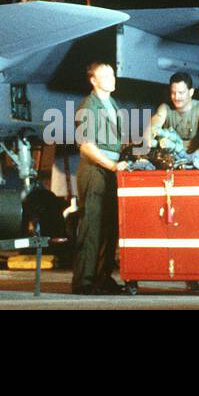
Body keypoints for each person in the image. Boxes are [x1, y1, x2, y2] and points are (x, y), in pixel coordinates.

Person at [71, 61, 129, 295]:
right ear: (93, 80)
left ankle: (103, 278)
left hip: (110, 172)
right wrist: (113, 166)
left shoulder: (112, 104)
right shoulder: (89, 106)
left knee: (109, 228)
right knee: (92, 228)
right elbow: (86, 146)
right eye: (105, 76)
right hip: (95, 172)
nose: (111, 79)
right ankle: (84, 282)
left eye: (113, 75)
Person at [146, 71, 199, 163]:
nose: (177, 97)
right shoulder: (164, 108)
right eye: (173, 93)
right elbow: (154, 125)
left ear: (191, 92)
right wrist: (148, 138)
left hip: (194, 159)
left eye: (181, 93)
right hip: (169, 161)